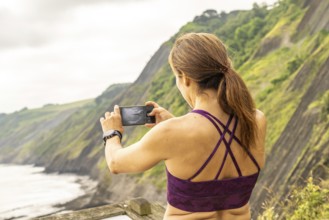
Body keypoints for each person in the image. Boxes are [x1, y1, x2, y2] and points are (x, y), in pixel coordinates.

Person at [100, 33, 266, 220]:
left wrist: (111, 133)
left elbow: (116, 162)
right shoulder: (256, 119)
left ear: (185, 78)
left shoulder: (172, 132)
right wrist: (173, 121)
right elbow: (215, 143)